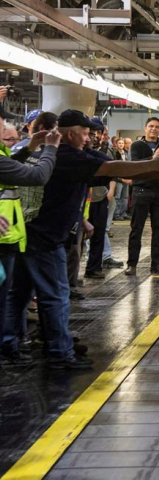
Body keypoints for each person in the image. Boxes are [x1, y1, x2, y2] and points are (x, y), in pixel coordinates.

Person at [4, 109, 159, 369]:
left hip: (31, 233)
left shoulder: (76, 153)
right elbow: (112, 167)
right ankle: (59, 352)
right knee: (55, 295)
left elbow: (114, 170)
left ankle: (13, 345)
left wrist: (156, 171)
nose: (90, 138)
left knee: (19, 294)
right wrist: (157, 167)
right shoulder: (64, 155)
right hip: (45, 236)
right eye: (86, 133)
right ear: (69, 133)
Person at [0, 119, 61, 365]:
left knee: (8, 296)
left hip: (10, 238)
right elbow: (38, 176)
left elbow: (10, 167)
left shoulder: (4, 155)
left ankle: (8, 345)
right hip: (5, 239)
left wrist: (28, 148)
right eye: (5, 132)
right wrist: (50, 148)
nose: (7, 134)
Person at [125, 117, 159, 276]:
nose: (154, 129)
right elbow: (135, 166)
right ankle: (132, 264)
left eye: (157, 127)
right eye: (151, 126)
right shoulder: (136, 146)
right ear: (145, 128)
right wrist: (153, 159)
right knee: (136, 228)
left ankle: (157, 264)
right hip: (141, 190)